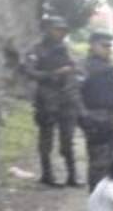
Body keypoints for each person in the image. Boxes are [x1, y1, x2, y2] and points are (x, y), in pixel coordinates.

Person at [22, 16, 82, 187]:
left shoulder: (67, 49)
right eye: (57, 29)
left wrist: (73, 71)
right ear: (47, 30)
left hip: (67, 98)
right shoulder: (36, 50)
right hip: (46, 99)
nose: (60, 33)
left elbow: (80, 68)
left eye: (63, 30)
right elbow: (28, 71)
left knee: (68, 140)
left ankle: (73, 176)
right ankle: (48, 175)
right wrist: (53, 74)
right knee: (46, 139)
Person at [79, 31, 113, 191]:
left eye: (110, 46)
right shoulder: (84, 67)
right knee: (98, 164)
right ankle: (96, 199)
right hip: (96, 118)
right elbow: (73, 94)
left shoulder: (109, 67)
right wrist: (84, 116)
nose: (108, 49)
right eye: (104, 45)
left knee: (112, 161)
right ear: (93, 45)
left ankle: (107, 198)